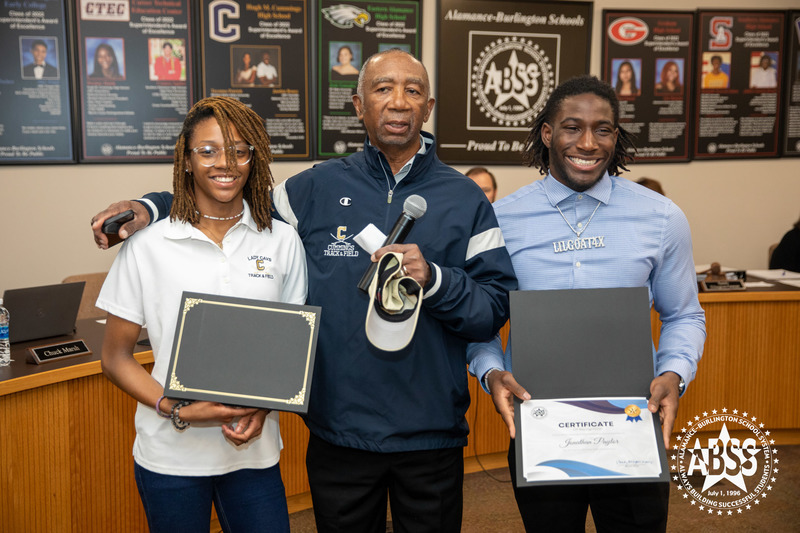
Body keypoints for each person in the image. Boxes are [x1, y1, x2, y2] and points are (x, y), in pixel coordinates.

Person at [90, 49, 517, 532]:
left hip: (431, 435)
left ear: (429, 106)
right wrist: (154, 205)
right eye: (383, 89)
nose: (398, 102)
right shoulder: (313, 188)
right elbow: (229, 195)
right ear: (358, 105)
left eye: (412, 90)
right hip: (340, 435)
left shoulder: (465, 198)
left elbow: (491, 310)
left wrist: (436, 279)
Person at [467, 75, 706, 532]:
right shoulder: (502, 220)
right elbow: (481, 321)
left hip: (633, 424)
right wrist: (490, 371)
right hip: (541, 426)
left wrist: (675, 372)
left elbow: (683, 314)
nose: (588, 142)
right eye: (572, 127)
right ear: (547, 133)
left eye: (603, 129)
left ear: (616, 136)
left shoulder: (661, 217)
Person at [96, 96, 307, 533]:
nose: (224, 163)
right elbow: (115, 357)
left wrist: (263, 410)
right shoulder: (148, 244)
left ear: (255, 159)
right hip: (171, 452)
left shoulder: (281, 241)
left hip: (252, 449)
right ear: (186, 160)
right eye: (207, 150)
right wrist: (172, 407)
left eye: (238, 151)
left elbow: (290, 351)